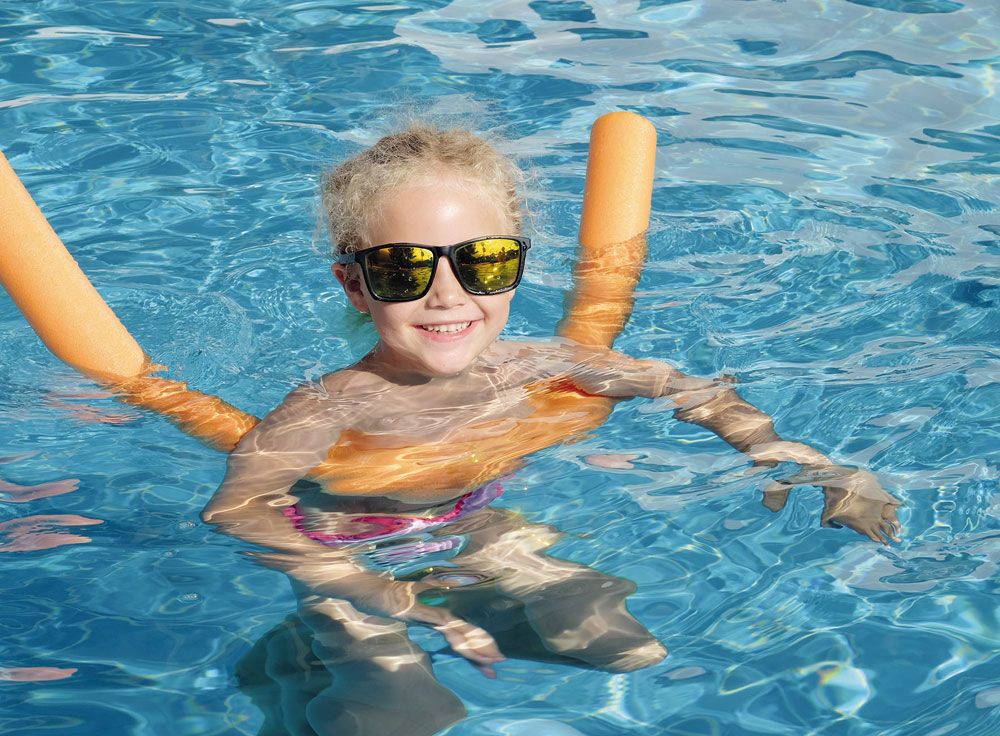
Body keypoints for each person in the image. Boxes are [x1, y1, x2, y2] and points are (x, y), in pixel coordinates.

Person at [203, 123, 902, 736]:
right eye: (403, 268)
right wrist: (390, 596)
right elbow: (236, 509)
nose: (448, 294)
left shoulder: (536, 367)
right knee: (404, 712)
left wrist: (797, 458)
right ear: (354, 284)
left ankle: (466, 612)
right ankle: (294, 666)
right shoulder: (331, 407)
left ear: (516, 268)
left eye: (483, 262)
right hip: (349, 556)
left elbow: (680, 386)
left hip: (471, 524)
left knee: (620, 642)